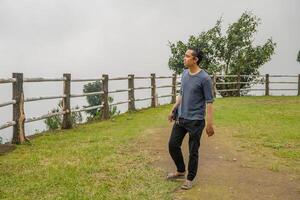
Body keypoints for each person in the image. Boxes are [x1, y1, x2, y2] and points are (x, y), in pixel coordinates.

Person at [167, 47, 215, 190]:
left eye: (187, 56)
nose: (184, 58)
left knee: (193, 150)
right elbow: (181, 94)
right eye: (185, 56)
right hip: (181, 118)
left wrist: (209, 124)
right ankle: (181, 170)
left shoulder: (205, 78)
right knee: (172, 145)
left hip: (196, 121)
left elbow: (209, 102)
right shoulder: (184, 73)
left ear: (196, 60)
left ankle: (189, 178)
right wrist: (174, 109)